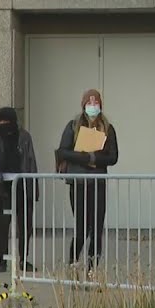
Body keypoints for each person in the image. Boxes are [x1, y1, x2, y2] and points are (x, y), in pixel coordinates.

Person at [56, 89, 119, 270]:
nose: (93, 106)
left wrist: (95, 158)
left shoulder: (108, 128)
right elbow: (63, 151)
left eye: (96, 103)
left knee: (96, 230)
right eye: (90, 103)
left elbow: (113, 157)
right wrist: (84, 157)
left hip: (98, 183)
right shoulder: (73, 125)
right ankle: (73, 264)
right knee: (82, 229)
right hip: (79, 183)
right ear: (84, 105)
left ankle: (92, 271)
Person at [0, 106, 38, 273]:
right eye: (0, 122)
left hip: (22, 184)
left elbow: (31, 162)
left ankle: (23, 259)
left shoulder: (24, 137)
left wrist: (33, 188)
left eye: (6, 121)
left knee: (25, 225)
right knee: (3, 225)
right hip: (3, 187)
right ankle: (2, 260)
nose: (3, 125)